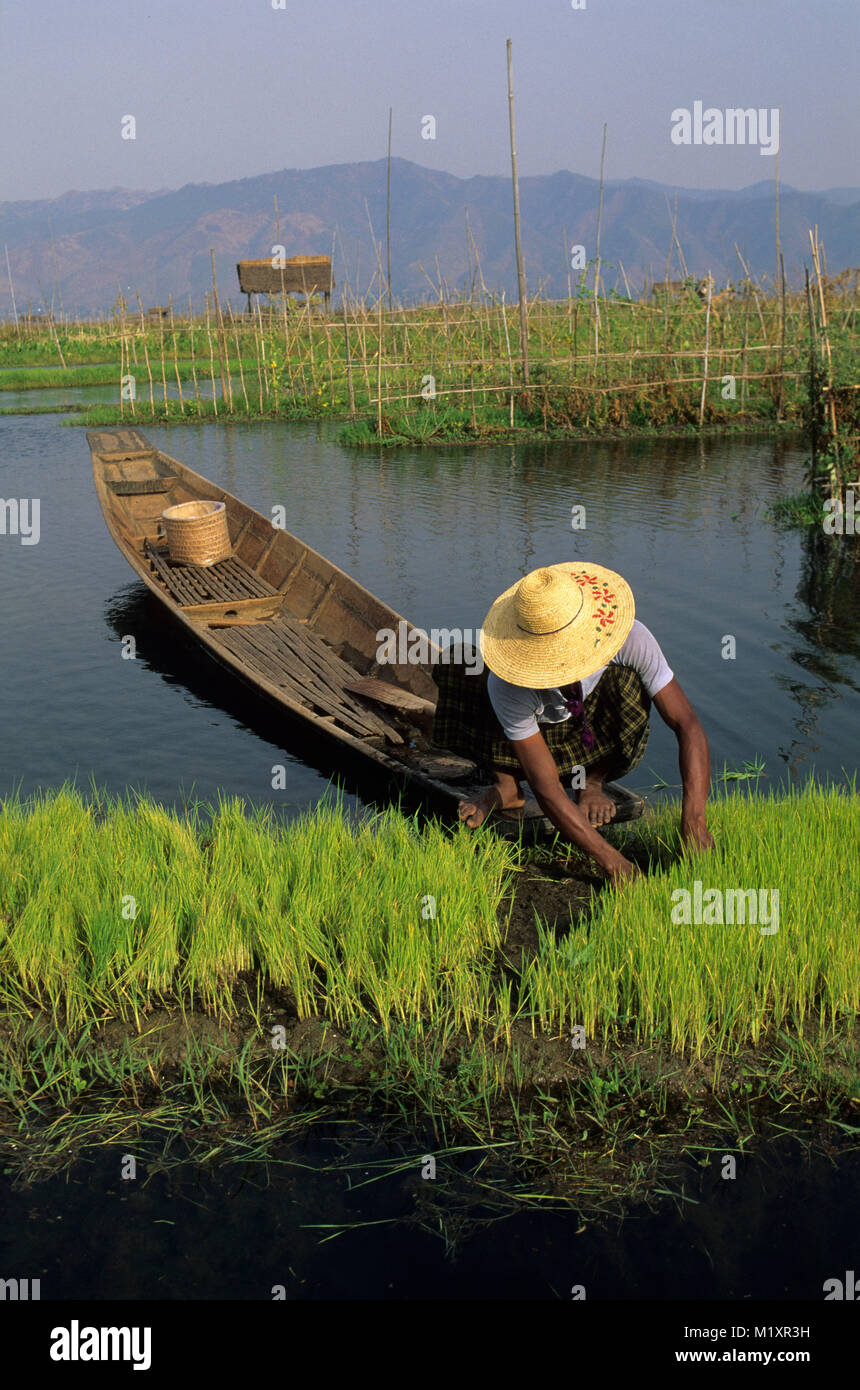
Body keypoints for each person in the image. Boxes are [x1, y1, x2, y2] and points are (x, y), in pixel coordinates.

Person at [430, 562, 713, 886]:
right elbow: (546, 787)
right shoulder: (507, 685)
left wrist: (694, 821)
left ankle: (591, 782)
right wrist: (614, 864)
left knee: (628, 682)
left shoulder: (628, 638)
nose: (564, 668)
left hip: (589, 739)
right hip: (526, 750)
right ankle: (506, 785)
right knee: (457, 661)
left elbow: (687, 723)